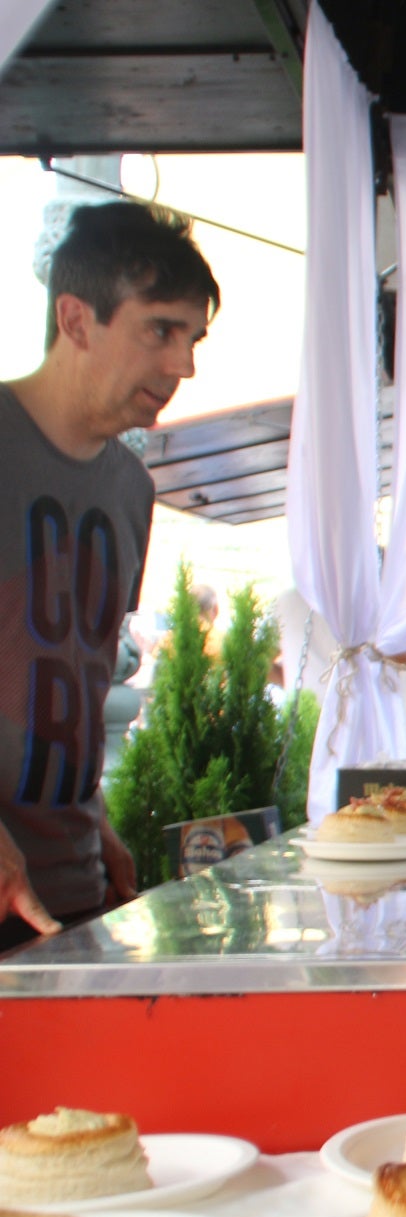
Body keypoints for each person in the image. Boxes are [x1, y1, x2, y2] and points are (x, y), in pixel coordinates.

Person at [0, 201, 218, 952]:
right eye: (160, 330)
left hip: (74, 890)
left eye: (192, 339)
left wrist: (94, 821)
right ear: (76, 319)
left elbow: (69, 670)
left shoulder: (132, 488)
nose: (183, 366)